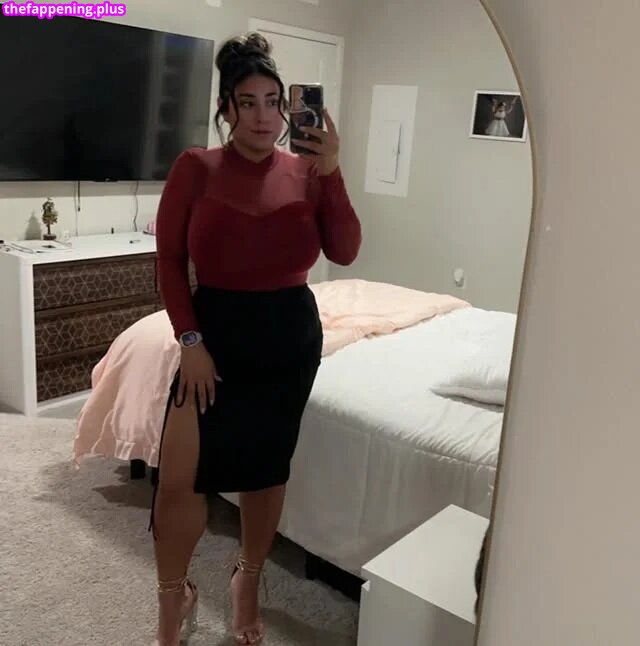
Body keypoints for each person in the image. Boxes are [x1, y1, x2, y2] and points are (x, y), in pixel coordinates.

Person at [149, 31, 362, 646]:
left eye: (274, 102)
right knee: (178, 479)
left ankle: (248, 579)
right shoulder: (197, 168)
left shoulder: (309, 172)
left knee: (266, 473)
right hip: (214, 335)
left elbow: (345, 251)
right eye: (249, 102)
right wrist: (191, 340)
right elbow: (169, 261)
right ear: (227, 108)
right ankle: (174, 600)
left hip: (288, 338)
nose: (265, 116)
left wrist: (334, 172)